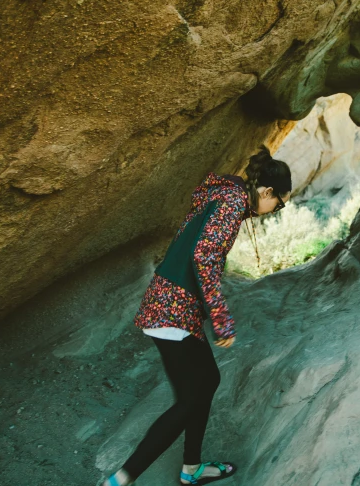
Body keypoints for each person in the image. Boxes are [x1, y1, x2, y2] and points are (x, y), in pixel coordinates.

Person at [101, 145, 292, 486]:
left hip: (173, 303)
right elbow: (203, 257)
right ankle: (119, 480)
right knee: (189, 400)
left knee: (208, 381)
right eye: (278, 203)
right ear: (266, 192)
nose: (275, 209)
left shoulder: (228, 193)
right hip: (172, 309)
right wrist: (221, 319)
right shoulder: (233, 204)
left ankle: (191, 469)